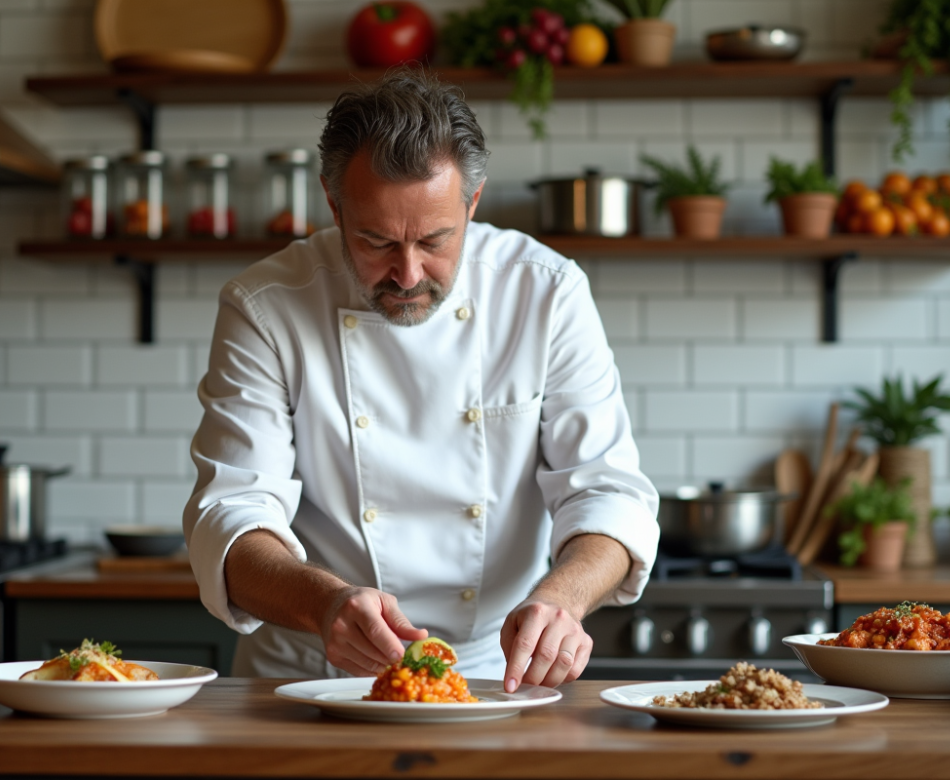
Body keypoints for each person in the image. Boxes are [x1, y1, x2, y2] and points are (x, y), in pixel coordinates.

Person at [183, 69, 659, 692]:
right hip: (310, 675)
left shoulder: (545, 292)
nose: (407, 275)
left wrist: (561, 600)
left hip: (498, 672)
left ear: (473, 203)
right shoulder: (266, 303)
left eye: (435, 240)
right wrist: (326, 604)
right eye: (375, 241)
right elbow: (233, 514)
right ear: (334, 206)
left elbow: (608, 494)